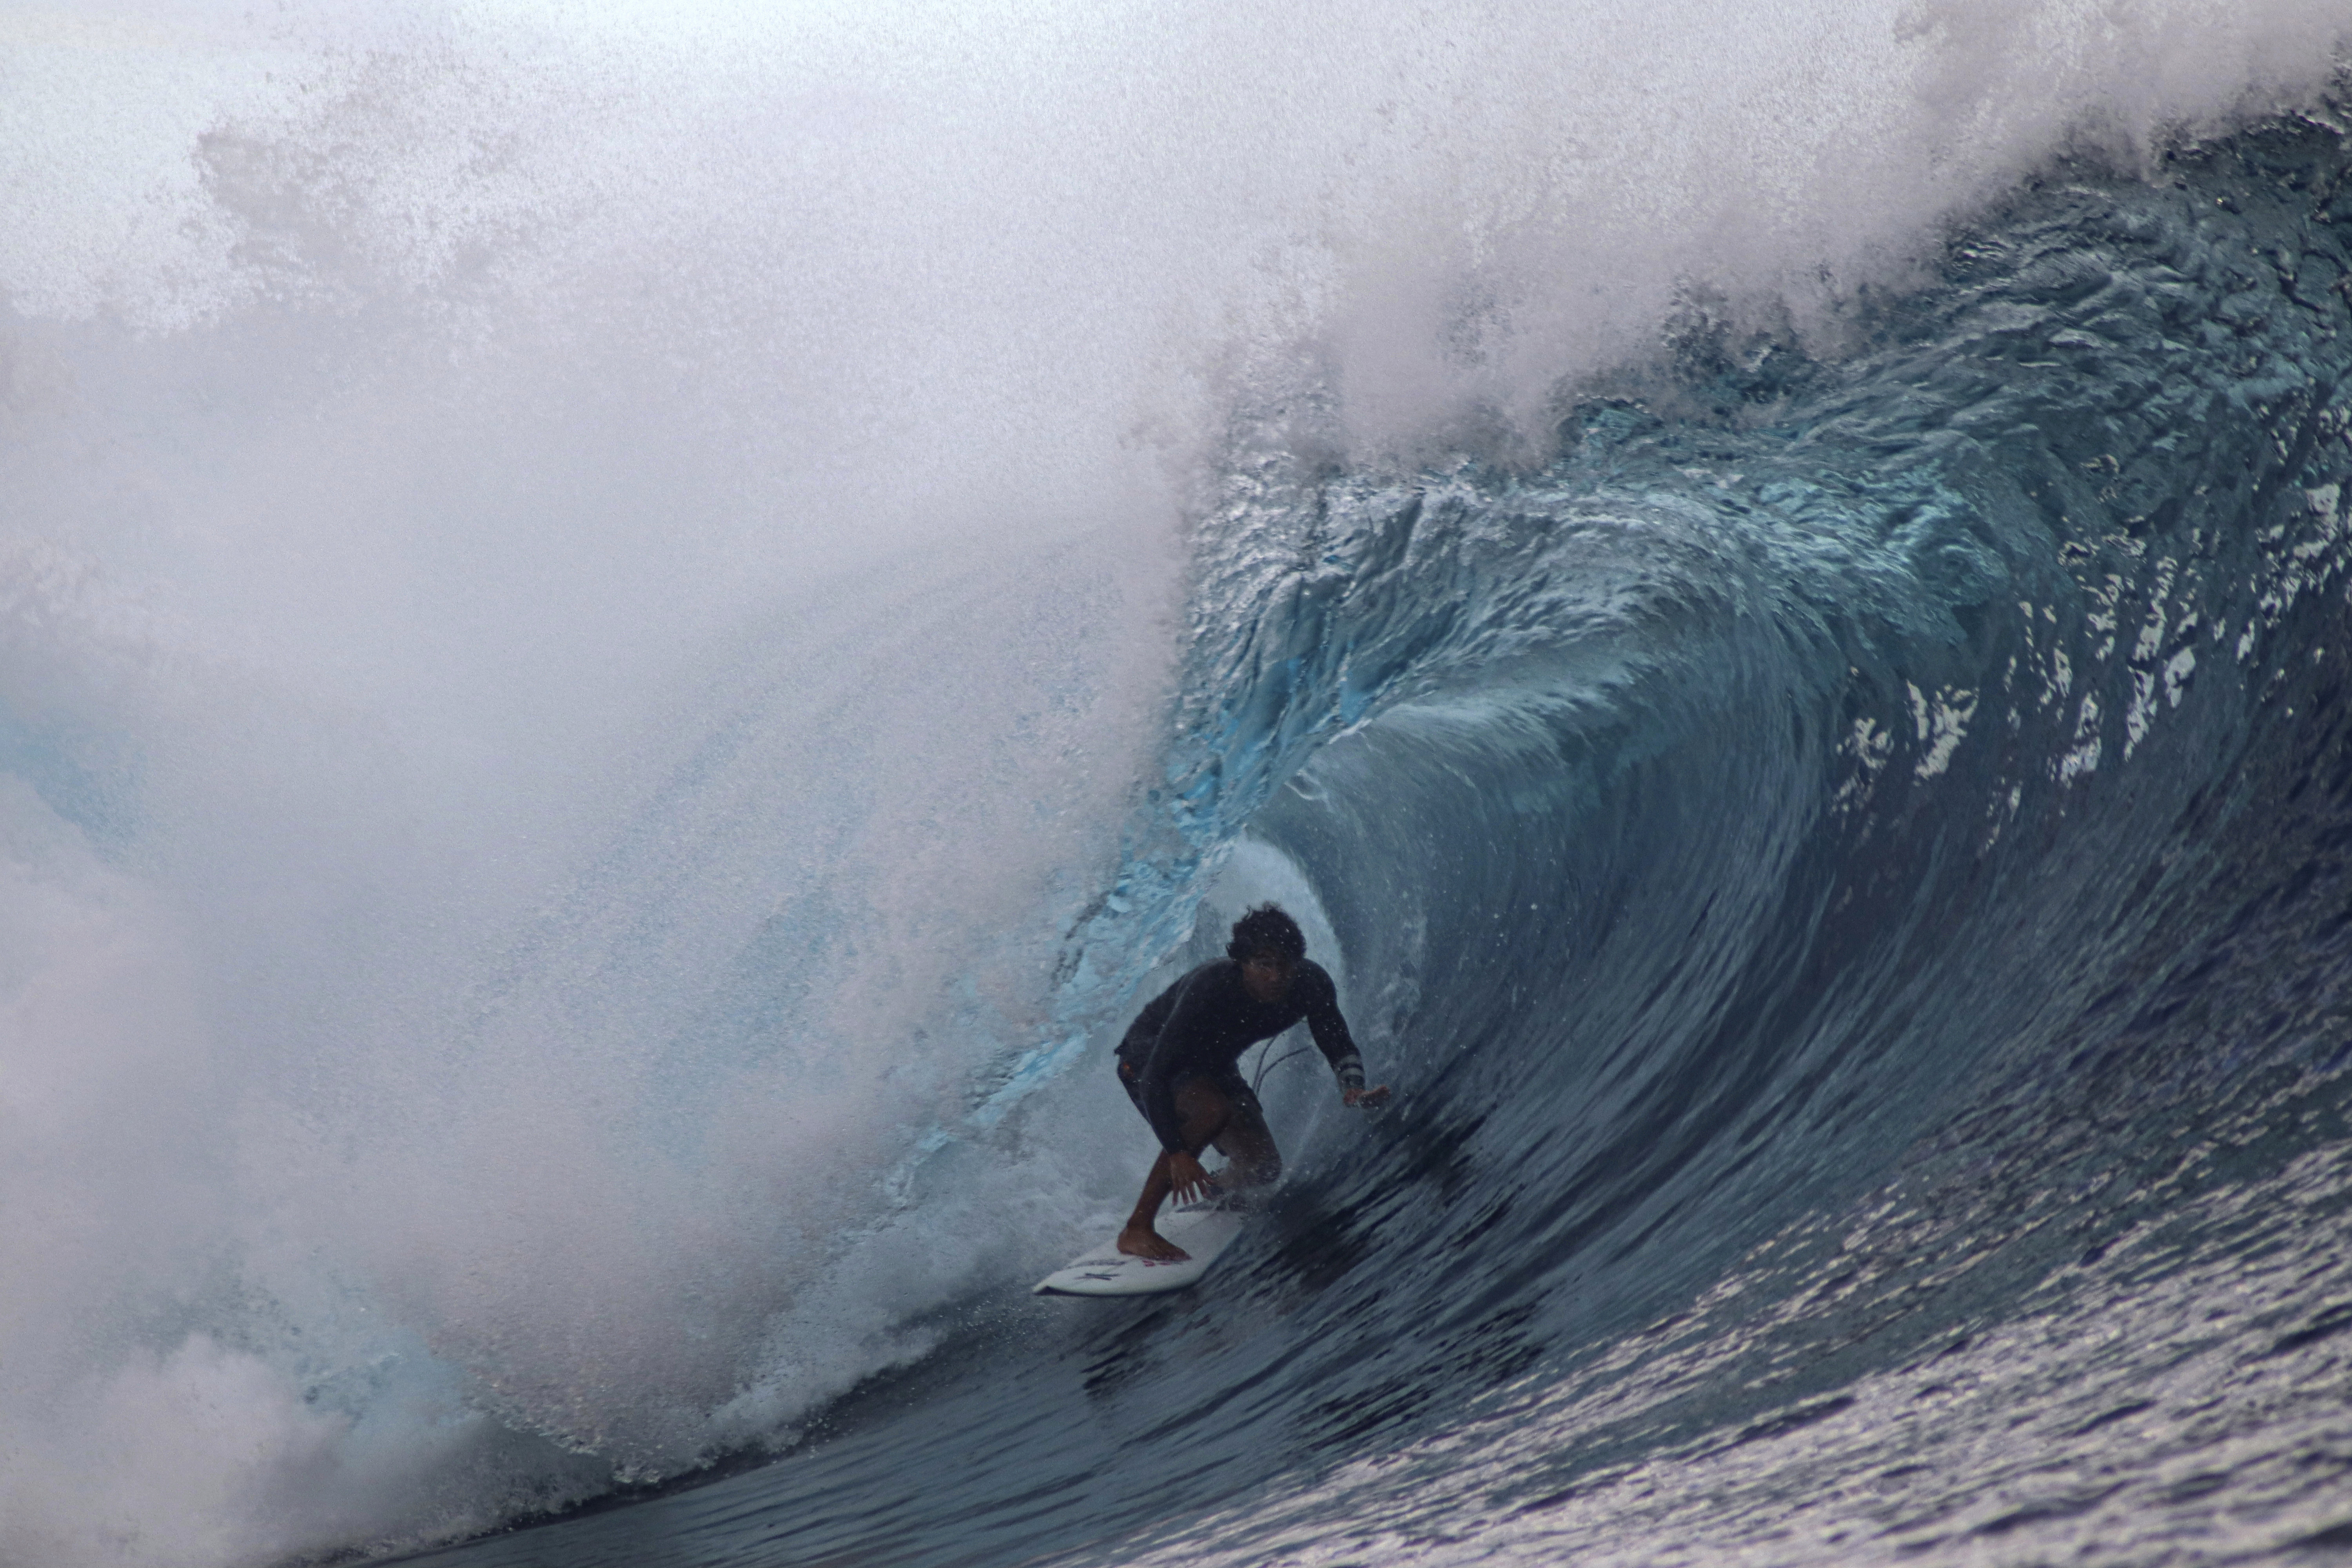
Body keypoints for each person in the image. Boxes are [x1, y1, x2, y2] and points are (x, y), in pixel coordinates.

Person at [1114, 903, 1390, 1261]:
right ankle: (1137, 1228)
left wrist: (1352, 1087)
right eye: (1263, 964)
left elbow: (1336, 1040)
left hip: (1214, 1067)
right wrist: (1179, 1153)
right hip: (1147, 1060)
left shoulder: (1310, 985)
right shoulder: (1210, 987)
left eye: (1284, 964)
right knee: (1213, 1110)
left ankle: (1215, 1191)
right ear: (1242, 962)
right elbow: (1155, 1076)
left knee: (1262, 1167)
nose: (1276, 976)